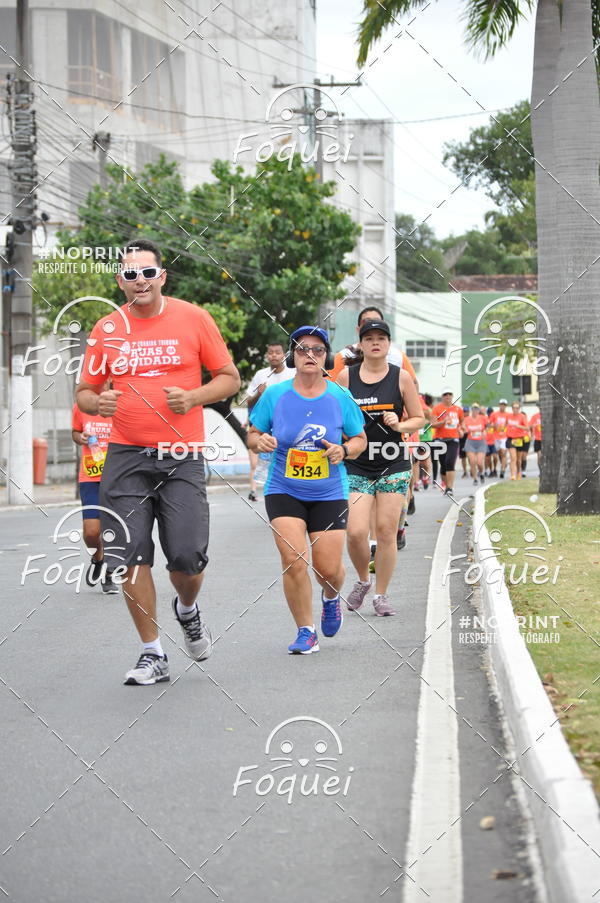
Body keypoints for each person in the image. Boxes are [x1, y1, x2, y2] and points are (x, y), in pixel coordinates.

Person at [76, 238, 240, 685]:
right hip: (125, 457)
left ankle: (186, 609)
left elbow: (229, 378)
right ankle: (152, 653)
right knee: (129, 557)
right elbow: (84, 392)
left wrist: (193, 397)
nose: (140, 281)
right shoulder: (106, 328)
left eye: (148, 272)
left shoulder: (194, 319)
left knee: (187, 557)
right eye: (130, 274)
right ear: (120, 281)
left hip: (181, 457)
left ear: (162, 276)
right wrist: (98, 404)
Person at [248, 326, 366, 654]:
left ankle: (331, 597)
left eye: (317, 349)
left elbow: (359, 440)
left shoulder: (340, 397)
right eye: (302, 349)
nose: (310, 355)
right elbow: (253, 434)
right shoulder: (275, 394)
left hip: (329, 490)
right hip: (283, 488)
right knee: (293, 559)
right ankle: (305, 630)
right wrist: (261, 440)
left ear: (326, 356)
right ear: (293, 356)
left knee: (327, 569)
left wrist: (345, 450)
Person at [337, 320, 424, 616]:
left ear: (388, 344)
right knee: (356, 532)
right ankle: (363, 581)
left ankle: (382, 595)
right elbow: (335, 416)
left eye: (381, 338)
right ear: (361, 344)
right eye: (369, 338)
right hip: (357, 464)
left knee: (386, 532)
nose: (376, 342)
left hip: (392, 462)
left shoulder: (401, 378)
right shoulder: (345, 378)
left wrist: (399, 424)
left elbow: (419, 418)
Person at [71, 400, 117, 593]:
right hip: (90, 475)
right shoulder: (81, 406)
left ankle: (108, 575)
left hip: (118, 476)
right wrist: (80, 437)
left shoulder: (121, 405)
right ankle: (98, 559)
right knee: (91, 532)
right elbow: (74, 432)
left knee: (114, 528)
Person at [245, 340, 294, 501]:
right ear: (267, 355)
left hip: (289, 427)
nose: (274, 355)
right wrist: (260, 394)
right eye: (270, 352)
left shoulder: (293, 373)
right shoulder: (260, 375)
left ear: (284, 354)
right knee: (267, 465)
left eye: (277, 352)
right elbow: (248, 402)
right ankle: (272, 496)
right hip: (266, 428)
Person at [328, 306, 417, 383]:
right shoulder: (343, 356)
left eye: (377, 321)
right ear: (358, 330)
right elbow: (332, 391)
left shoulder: (399, 357)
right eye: (366, 321)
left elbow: (413, 388)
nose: (372, 325)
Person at [431, 389, 464, 496]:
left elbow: (462, 422)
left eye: (450, 394)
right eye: (445, 394)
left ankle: (450, 488)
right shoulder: (437, 408)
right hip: (439, 440)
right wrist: (443, 422)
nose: (448, 396)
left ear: (452, 396)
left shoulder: (458, 409)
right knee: (443, 464)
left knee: (450, 462)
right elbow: (433, 424)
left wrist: (461, 430)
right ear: (442, 396)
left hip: (453, 439)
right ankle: (445, 485)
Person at [462, 403, 488, 484]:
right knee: (472, 461)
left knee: (480, 462)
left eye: (476, 409)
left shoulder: (483, 418)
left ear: (478, 410)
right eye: (473, 409)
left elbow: (488, 426)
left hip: (481, 442)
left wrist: (485, 431)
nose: (475, 410)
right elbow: (463, 428)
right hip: (470, 442)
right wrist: (464, 430)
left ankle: (481, 473)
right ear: (471, 410)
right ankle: (475, 479)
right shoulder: (466, 419)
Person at [506, 400, 529, 480]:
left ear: (519, 408)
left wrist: (518, 426)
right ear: (512, 408)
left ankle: (518, 472)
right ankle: (513, 475)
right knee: (513, 457)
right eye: (514, 408)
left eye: (517, 408)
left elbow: (527, 428)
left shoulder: (522, 416)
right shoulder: (508, 416)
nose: (515, 409)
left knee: (519, 460)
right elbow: (505, 424)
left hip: (519, 439)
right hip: (511, 439)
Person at [489, 399, 509, 478]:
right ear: (499, 405)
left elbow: (509, 424)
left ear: (506, 406)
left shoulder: (508, 415)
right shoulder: (494, 414)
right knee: (499, 453)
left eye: (504, 405)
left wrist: (506, 428)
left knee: (503, 453)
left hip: (504, 437)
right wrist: (494, 426)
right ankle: (503, 463)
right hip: (496, 437)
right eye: (501, 404)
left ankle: (502, 470)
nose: (502, 406)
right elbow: (489, 425)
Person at [484, 406, 498, 477]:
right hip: (487, 442)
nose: (490, 414)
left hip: (494, 441)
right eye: (489, 412)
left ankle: (495, 468)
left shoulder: (495, 419)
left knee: (495, 457)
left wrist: (494, 425)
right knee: (488, 458)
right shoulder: (485, 419)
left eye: (491, 412)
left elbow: (497, 427)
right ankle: (491, 470)